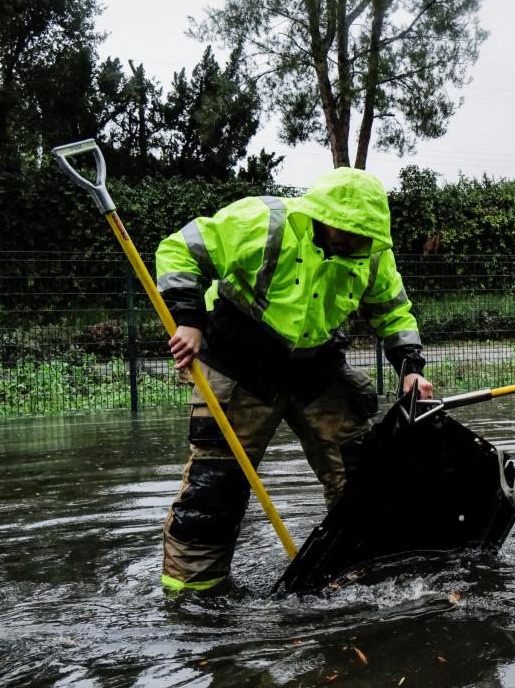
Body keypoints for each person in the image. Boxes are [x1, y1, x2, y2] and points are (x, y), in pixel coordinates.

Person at [153, 167, 433, 593]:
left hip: (317, 368)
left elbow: (392, 310)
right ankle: (193, 595)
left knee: (361, 476)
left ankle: (359, 573)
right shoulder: (262, 221)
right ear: (321, 216)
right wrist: (187, 321)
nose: (353, 242)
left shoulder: (374, 251)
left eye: (362, 235)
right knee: (216, 487)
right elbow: (178, 250)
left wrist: (410, 366)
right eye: (345, 232)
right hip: (239, 361)